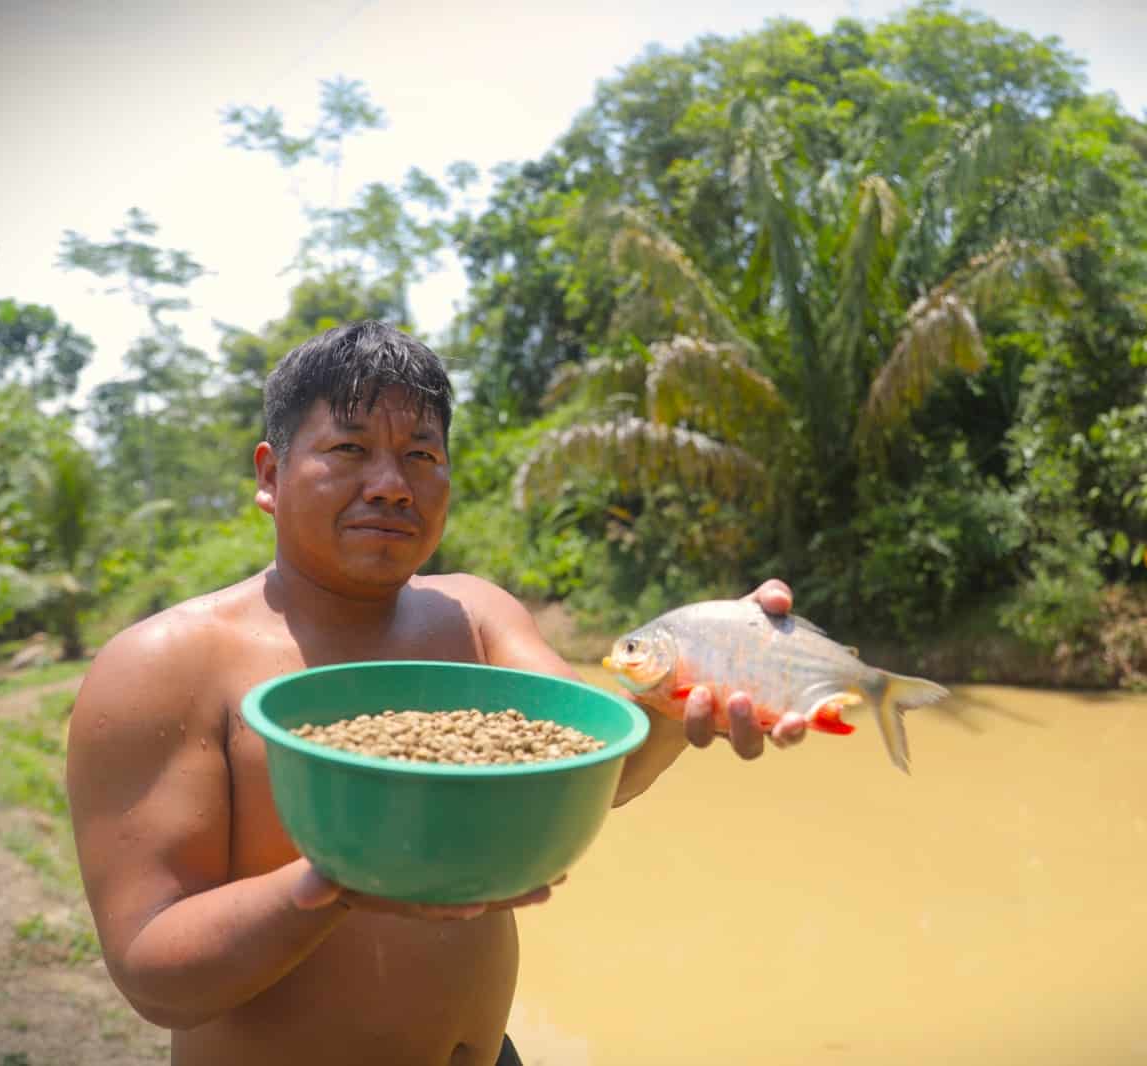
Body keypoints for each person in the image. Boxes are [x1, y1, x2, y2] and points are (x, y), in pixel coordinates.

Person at [65, 320, 808, 1066]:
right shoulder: (166, 664)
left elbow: (591, 767)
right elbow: (154, 972)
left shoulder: (475, 617)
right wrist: (341, 876)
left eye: (421, 455)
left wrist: (678, 708)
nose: (391, 485)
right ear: (270, 474)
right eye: (349, 449)